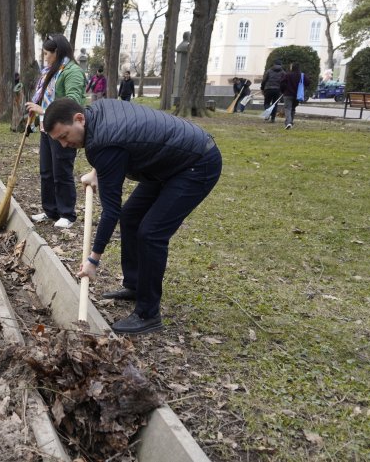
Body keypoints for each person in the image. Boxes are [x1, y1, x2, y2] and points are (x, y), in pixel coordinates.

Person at [43, 97, 222, 335]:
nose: (65, 145)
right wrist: (98, 171)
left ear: (79, 119)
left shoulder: (102, 145)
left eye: (64, 137)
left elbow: (110, 210)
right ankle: (135, 285)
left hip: (197, 163)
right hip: (168, 162)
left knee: (151, 233)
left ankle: (148, 314)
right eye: (59, 141)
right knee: (130, 218)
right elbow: (120, 140)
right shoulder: (96, 111)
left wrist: (93, 259)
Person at [24, 33, 85, 229]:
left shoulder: (72, 71)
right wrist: (35, 115)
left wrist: (43, 110)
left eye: (47, 54)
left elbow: (73, 101)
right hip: (47, 128)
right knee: (47, 172)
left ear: (57, 52)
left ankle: (67, 213)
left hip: (64, 131)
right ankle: (50, 210)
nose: (45, 58)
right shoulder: (51, 70)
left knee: (62, 172)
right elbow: (43, 96)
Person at [279, 63, 310, 130]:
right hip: (297, 95)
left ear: (292, 67)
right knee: (293, 109)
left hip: (287, 94)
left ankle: (288, 123)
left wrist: (283, 90)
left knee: (287, 108)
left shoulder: (287, 75)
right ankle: (290, 122)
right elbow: (308, 82)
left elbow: (282, 84)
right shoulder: (302, 75)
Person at [260, 59, 285, 123]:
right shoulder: (283, 72)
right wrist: (283, 90)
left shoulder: (269, 71)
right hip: (277, 90)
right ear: (281, 65)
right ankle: (273, 118)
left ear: (274, 64)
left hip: (268, 89)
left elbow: (264, 80)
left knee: (266, 103)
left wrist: (262, 88)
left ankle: (268, 114)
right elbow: (285, 82)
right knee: (275, 104)